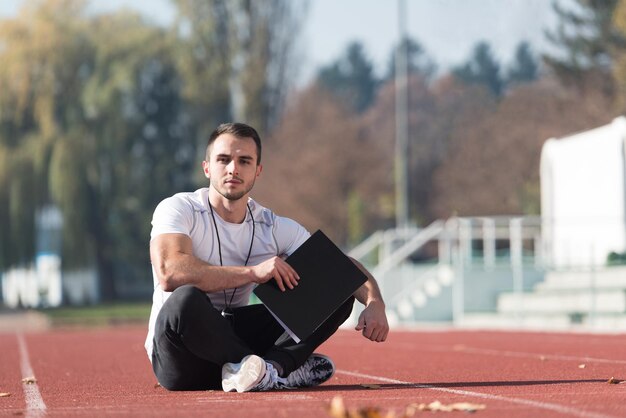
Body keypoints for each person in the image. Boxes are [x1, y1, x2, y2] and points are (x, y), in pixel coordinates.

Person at [145, 122, 389, 392]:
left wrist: (375, 301)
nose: (233, 169)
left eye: (244, 161)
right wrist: (252, 273)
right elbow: (169, 272)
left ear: (257, 171)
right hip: (183, 356)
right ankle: (267, 369)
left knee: (338, 293)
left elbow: (338, 266)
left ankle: (272, 368)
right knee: (185, 299)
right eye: (223, 159)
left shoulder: (270, 225)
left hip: (237, 338)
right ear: (207, 167)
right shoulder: (179, 208)